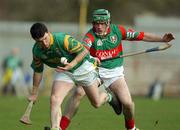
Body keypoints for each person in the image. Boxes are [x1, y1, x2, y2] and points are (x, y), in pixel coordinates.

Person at [59, 9, 175, 130]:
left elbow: (142, 35)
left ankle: (131, 128)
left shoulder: (118, 31)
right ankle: (60, 127)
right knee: (79, 93)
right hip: (95, 71)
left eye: (101, 23)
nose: (98, 26)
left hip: (115, 73)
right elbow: (83, 51)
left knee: (128, 104)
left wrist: (162, 39)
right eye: (96, 23)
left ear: (108, 23)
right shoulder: (90, 36)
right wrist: (73, 64)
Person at [28, 22, 114, 130]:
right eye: (40, 41)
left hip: (83, 68)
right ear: (35, 41)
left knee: (95, 102)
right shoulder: (37, 51)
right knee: (55, 99)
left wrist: (72, 64)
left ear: (48, 33)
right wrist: (34, 93)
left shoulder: (62, 40)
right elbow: (38, 71)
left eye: (45, 38)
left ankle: (108, 97)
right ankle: (55, 127)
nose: (44, 43)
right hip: (65, 71)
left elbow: (83, 51)